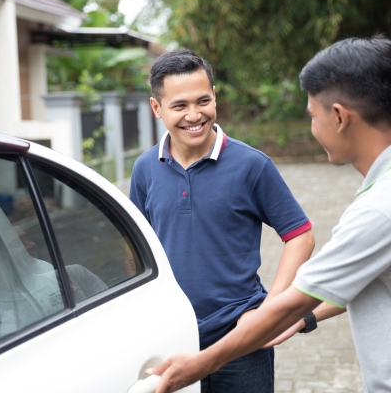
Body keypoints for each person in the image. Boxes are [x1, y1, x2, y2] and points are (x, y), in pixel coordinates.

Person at [148, 36, 391, 393]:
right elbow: (346, 283)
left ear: (340, 117)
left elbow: (298, 296)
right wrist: (303, 320)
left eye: (312, 115)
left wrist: (202, 364)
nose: (312, 128)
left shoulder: (382, 209)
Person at [129, 49, 315, 392]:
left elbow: (300, 235)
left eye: (203, 100)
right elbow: (136, 246)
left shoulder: (252, 165)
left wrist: (268, 312)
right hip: (172, 337)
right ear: (157, 109)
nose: (194, 115)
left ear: (215, 95)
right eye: (179, 105)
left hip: (242, 340)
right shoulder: (144, 169)